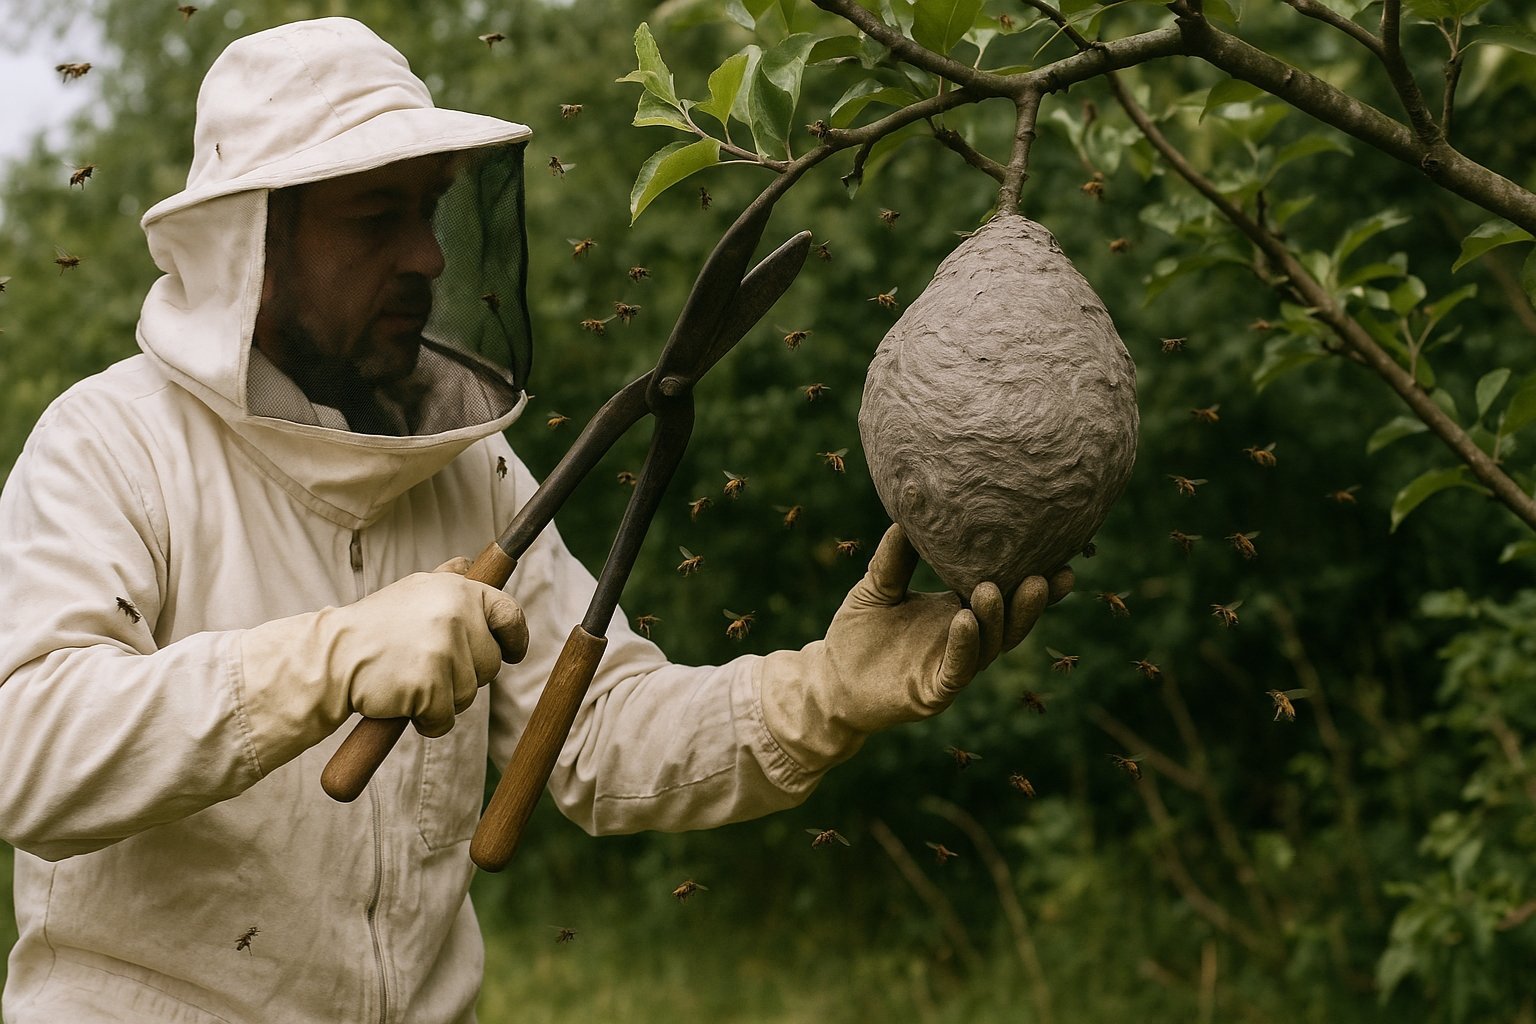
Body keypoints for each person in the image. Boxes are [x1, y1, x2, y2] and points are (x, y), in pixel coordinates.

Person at [0, 17, 1069, 1023]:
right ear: (254, 242)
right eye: (377, 216)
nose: (427, 256)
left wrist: (827, 692)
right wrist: (325, 660)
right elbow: (27, 752)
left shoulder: (466, 469)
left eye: (431, 210)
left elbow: (599, 734)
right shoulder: (111, 446)